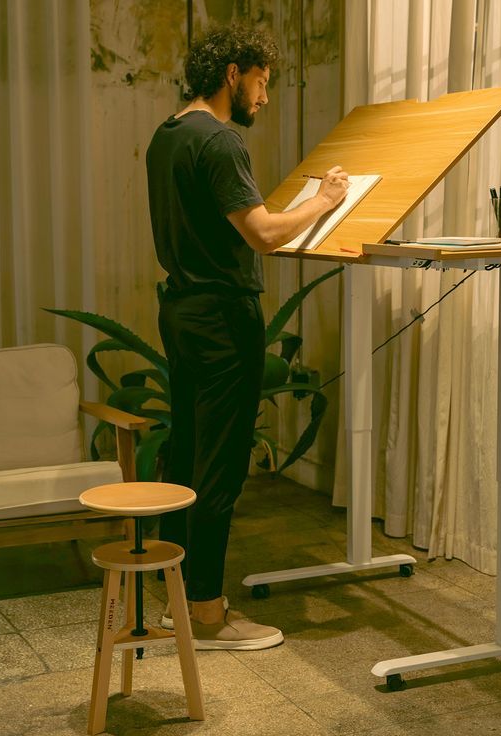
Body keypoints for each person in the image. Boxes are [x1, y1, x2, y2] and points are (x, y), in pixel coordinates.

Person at [145, 22, 348, 651]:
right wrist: (326, 198)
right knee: (220, 466)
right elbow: (262, 233)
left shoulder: (166, 137)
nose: (264, 97)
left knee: (186, 454)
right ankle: (206, 616)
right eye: (262, 81)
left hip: (180, 311)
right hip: (222, 319)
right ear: (234, 72)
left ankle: (180, 599)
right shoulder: (221, 141)